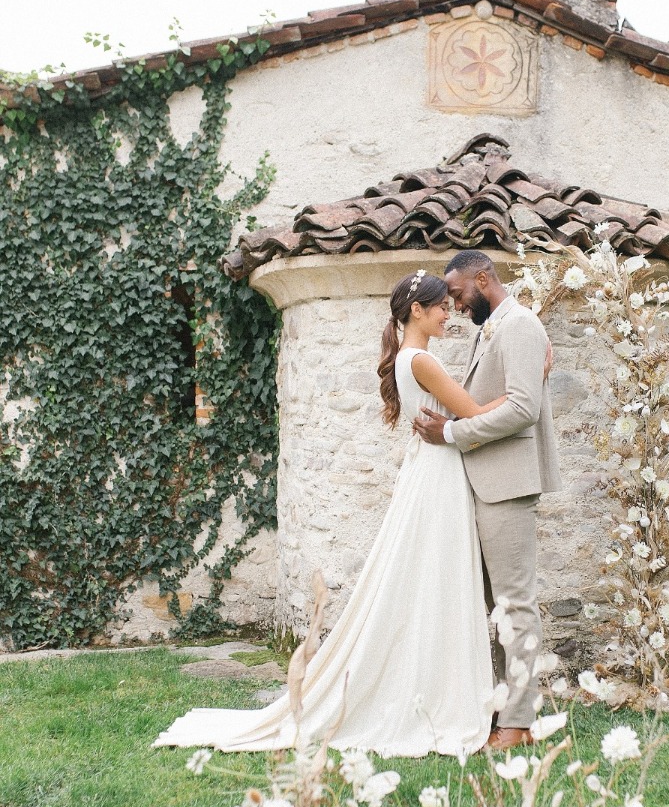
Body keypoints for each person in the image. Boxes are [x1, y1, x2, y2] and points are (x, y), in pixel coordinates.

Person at [154, 271, 514, 758]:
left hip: (433, 470)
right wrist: (521, 395)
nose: (449, 314)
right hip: (438, 473)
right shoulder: (422, 360)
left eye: (450, 307)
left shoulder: (410, 357)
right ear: (416, 312)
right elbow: (471, 411)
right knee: (435, 573)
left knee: (433, 574)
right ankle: (436, 692)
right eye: (441, 307)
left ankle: (436, 682)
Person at [413, 249, 562, 750]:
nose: (453, 304)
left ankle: (520, 722)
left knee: (515, 604)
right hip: (486, 482)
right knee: (494, 606)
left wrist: (453, 432)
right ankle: (505, 712)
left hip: (507, 484)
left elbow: (522, 407)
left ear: (483, 279)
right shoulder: (494, 326)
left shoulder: (518, 325)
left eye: (456, 293)